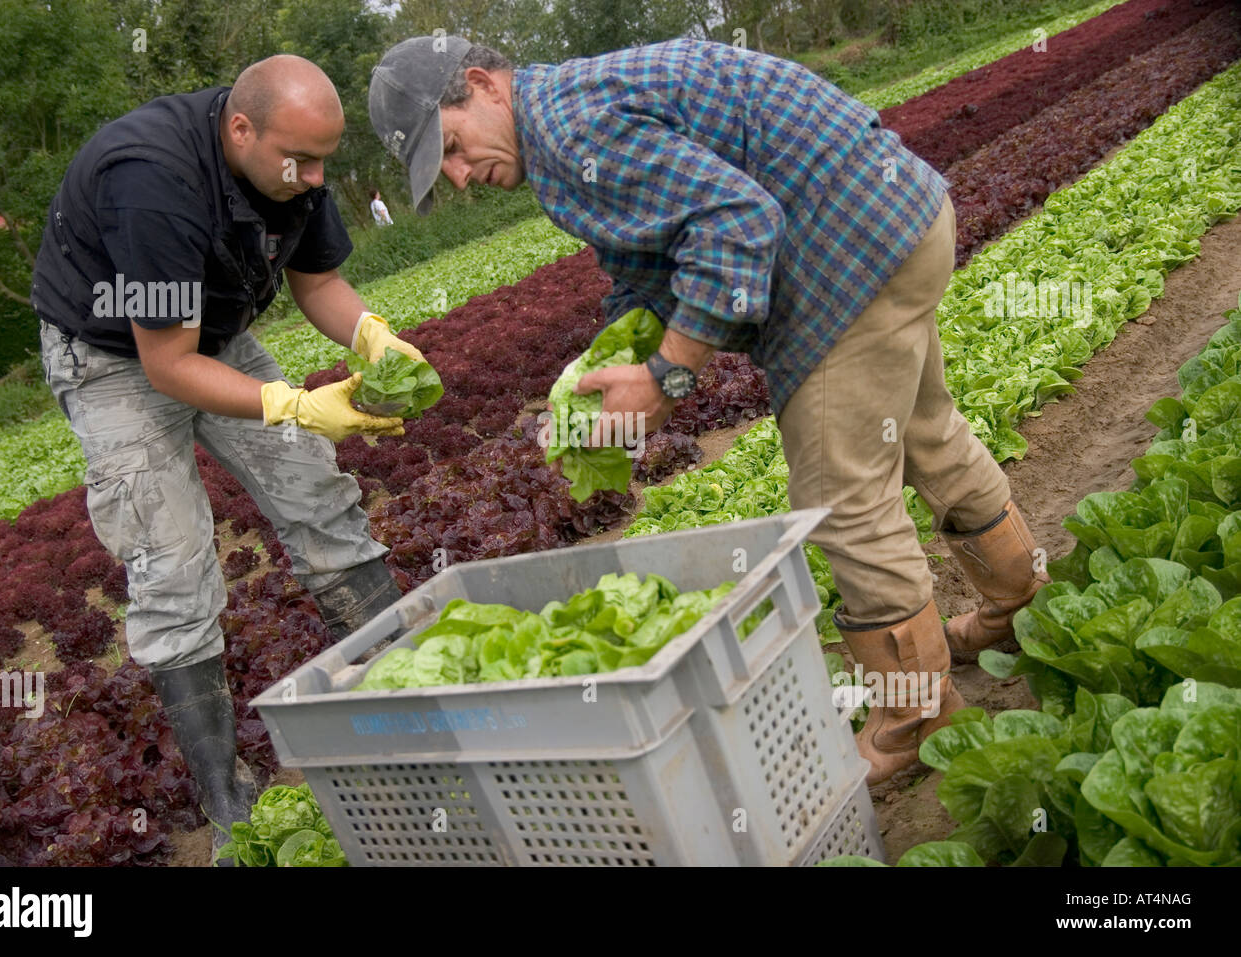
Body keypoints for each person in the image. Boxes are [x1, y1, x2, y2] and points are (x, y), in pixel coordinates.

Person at [368, 37, 1050, 787]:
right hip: (899, 224)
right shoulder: (567, 113)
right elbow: (647, 263)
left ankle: (918, 716)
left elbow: (738, 220)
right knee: (926, 435)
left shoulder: (568, 132)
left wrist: (667, 377)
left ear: (479, 86)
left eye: (455, 149)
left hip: (844, 263)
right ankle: (1021, 604)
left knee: (843, 498)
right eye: (445, 170)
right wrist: (619, 364)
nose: (461, 177)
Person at [32, 54, 425, 863]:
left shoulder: (294, 165)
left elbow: (319, 284)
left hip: (214, 330)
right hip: (113, 357)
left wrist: (372, 337)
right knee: (170, 559)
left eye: (326, 159)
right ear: (240, 129)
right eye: (301, 161)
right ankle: (228, 797)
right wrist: (294, 403)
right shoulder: (154, 182)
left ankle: (413, 704)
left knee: (317, 492)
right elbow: (167, 366)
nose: (316, 178)